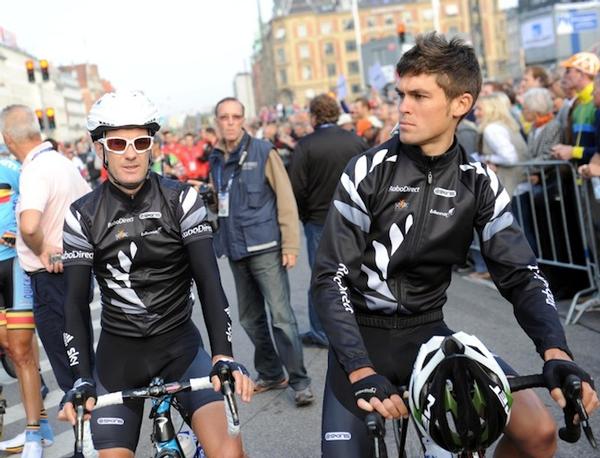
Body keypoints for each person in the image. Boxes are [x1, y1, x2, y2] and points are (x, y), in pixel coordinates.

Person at [312, 33, 599, 457]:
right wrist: (358, 367)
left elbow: (521, 275)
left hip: (428, 336)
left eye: (419, 96)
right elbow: (328, 278)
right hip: (361, 341)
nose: (403, 107)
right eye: (401, 94)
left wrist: (556, 351)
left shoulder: (478, 181)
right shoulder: (367, 170)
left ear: (460, 104)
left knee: (538, 433)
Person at [58, 90, 254, 457]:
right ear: (100, 148)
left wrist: (222, 355)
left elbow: (210, 283)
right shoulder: (82, 214)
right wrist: (81, 377)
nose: (130, 152)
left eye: (140, 141)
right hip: (118, 359)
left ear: (151, 146)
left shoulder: (182, 199)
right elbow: (74, 304)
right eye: (118, 143)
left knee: (230, 453)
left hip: (180, 348)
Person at [209, 97, 314, 406]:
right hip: (235, 247)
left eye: (235, 116)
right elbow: (221, 201)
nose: (229, 122)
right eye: (224, 117)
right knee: (250, 319)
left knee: (281, 318)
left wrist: (291, 244)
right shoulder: (215, 157)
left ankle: (300, 381)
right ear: (217, 120)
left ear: (244, 119)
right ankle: (270, 372)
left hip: (266, 246)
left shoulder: (263, 151)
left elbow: (285, 198)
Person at [290, 94, 367, 348]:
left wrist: (304, 214)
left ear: (314, 116)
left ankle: (321, 331)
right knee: (355, 272)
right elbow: (370, 179)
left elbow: (297, 187)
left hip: (319, 220)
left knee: (322, 277)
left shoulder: (306, 145)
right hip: (353, 218)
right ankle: (360, 325)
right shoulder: (356, 141)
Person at [0, 155, 53, 457]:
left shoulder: (11, 169)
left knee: (20, 349)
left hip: (14, 265)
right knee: (10, 348)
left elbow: (35, 212)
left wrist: (19, 233)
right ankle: (41, 424)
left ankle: (33, 432)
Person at [551, 52, 600, 164]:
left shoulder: (595, 104)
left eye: (568, 71)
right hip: (583, 175)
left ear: (582, 74)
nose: (565, 76)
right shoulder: (577, 106)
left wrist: (573, 152)